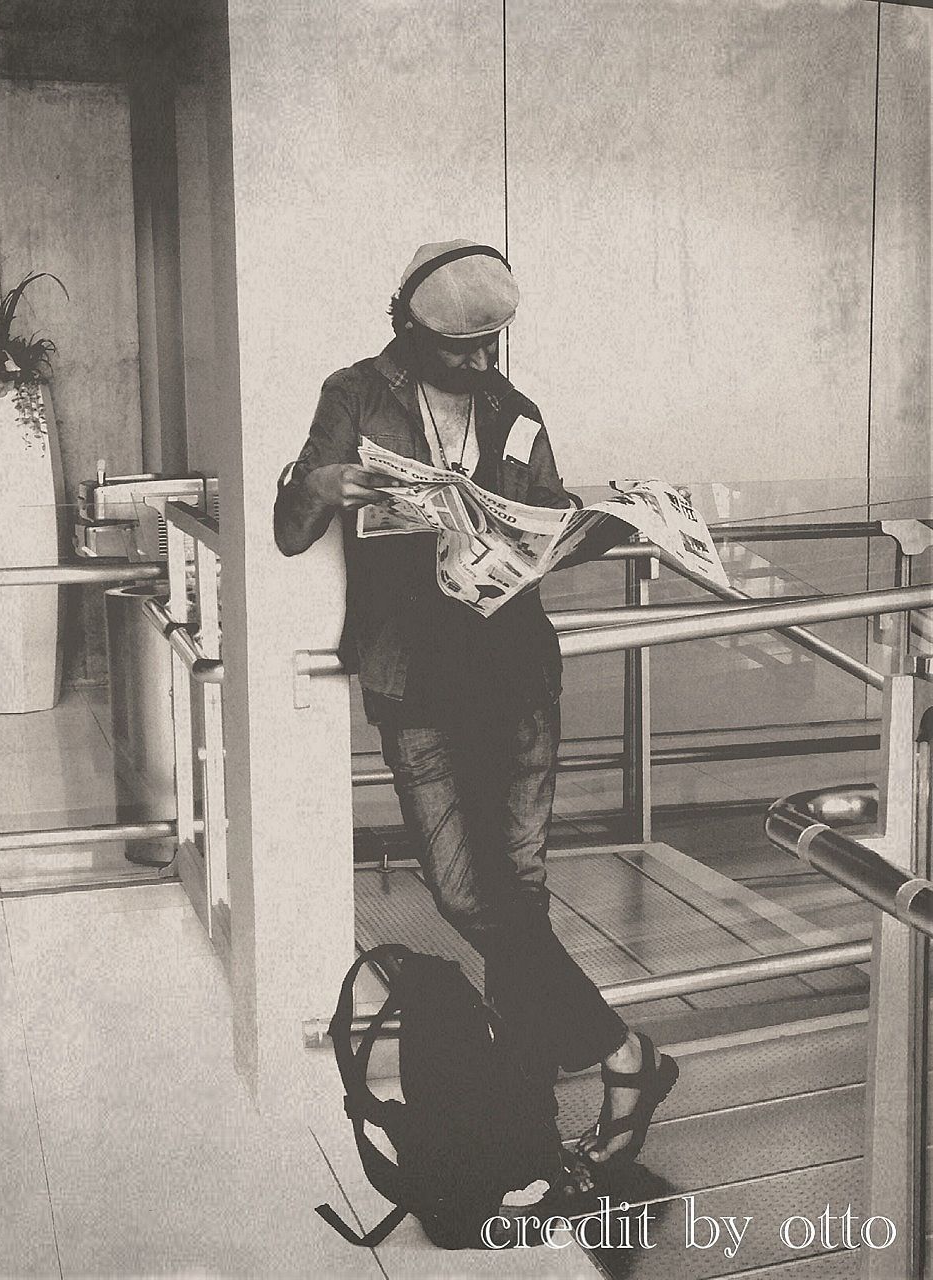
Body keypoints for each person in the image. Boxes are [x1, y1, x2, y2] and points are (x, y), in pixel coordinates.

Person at [274, 239, 678, 1205]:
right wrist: (326, 485)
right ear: (409, 328)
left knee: (520, 892)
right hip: (414, 675)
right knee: (467, 895)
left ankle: (528, 1115)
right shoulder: (355, 395)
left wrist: (599, 527)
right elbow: (291, 528)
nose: (482, 364)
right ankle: (624, 1054)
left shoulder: (517, 411)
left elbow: (543, 525)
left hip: (515, 674)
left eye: (494, 344)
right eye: (462, 348)